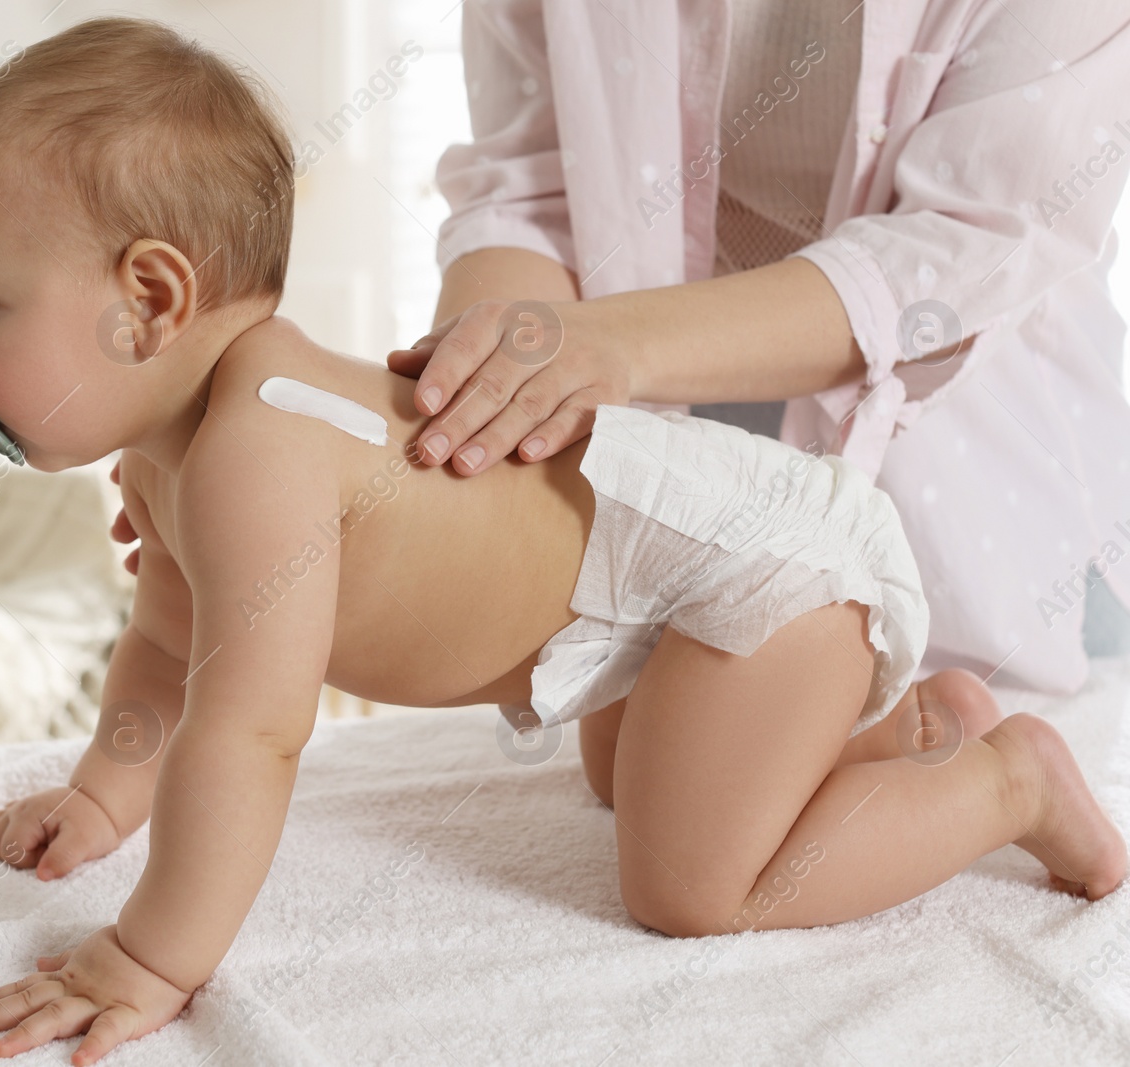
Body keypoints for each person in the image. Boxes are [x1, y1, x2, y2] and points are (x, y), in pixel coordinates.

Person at [0, 17, 1123, 1065]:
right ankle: (905, 730)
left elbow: (250, 732)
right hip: (644, 587)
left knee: (691, 884)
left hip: (768, 562)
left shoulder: (252, 456)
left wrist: (147, 957)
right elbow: (164, 644)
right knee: (621, 779)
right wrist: (104, 797)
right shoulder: (180, 452)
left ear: (151, 300)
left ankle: (1001, 777)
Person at [389, 0, 1130, 695]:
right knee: (627, 763)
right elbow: (530, 187)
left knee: (710, 811)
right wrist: (483, 388)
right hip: (667, 428)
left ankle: (1012, 785)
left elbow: (963, 240)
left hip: (974, 479)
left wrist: (610, 345)